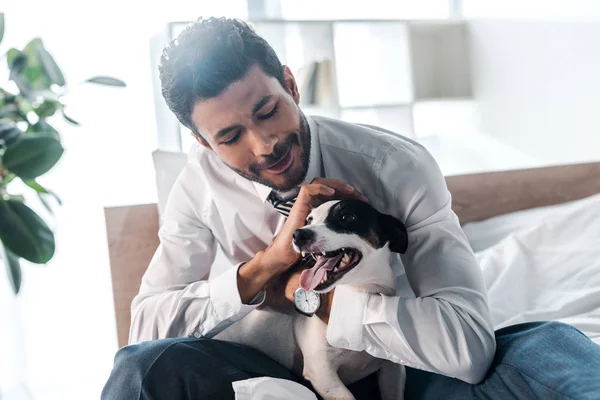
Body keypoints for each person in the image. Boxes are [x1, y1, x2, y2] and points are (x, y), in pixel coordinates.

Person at [102, 17, 600, 400]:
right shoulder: (199, 184)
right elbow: (145, 330)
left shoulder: (395, 165)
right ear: (203, 143)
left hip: (408, 364)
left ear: (291, 85)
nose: (265, 145)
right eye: (230, 137)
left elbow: (467, 351)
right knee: (142, 370)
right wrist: (264, 269)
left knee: (551, 348)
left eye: (268, 110)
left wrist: (315, 295)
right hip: (274, 368)